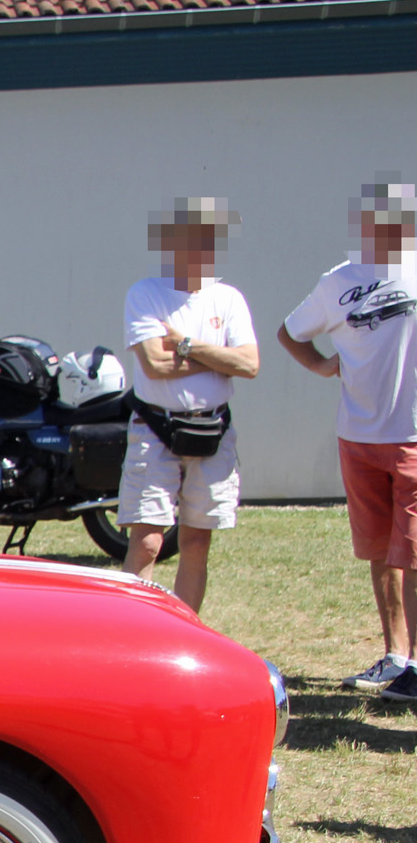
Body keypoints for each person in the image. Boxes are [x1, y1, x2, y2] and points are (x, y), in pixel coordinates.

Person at [277, 180, 417, 699]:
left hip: (413, 436)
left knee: (415, 553)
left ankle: (415, 668)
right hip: (358, 436)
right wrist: (320, 366)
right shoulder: (337, 282)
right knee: (382, 551)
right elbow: (290, 332)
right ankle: (396, 656)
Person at [119, 197, 260, 613]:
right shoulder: (145, 294)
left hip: (213, 431)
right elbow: (156, 365)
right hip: (155, 430)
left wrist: (187, 344)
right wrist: (217, 358)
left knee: (197, 541)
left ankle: (183, 635)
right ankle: (132, 634)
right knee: (147, 542)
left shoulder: (228, 298)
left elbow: (249, 364)